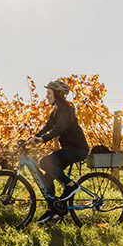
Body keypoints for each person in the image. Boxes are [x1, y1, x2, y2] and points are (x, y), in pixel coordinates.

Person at [27, 80, 89, 223]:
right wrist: (33, 138)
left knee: (44, 162)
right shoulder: (56, 110)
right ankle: (54, 211)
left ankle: (71, 186)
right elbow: (47, 128)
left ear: (58, 94)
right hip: (69, 149)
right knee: (48, 177)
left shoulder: (65, 110)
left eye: (49, 93)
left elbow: (59, 129)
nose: (47, 96)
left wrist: (41, 140)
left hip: (78, 149)